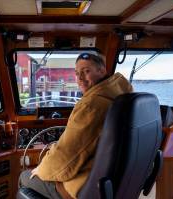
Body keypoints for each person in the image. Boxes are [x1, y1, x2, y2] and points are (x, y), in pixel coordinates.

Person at [19, 53, 133, 199]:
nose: (79, 78)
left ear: (102, 71)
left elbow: (65, 158)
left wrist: (40, 169)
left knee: (25, 176)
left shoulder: (92, 105)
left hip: (84, 184)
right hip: (112, 180)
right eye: (77, 73)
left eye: (86, 71)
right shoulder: (121, 97)